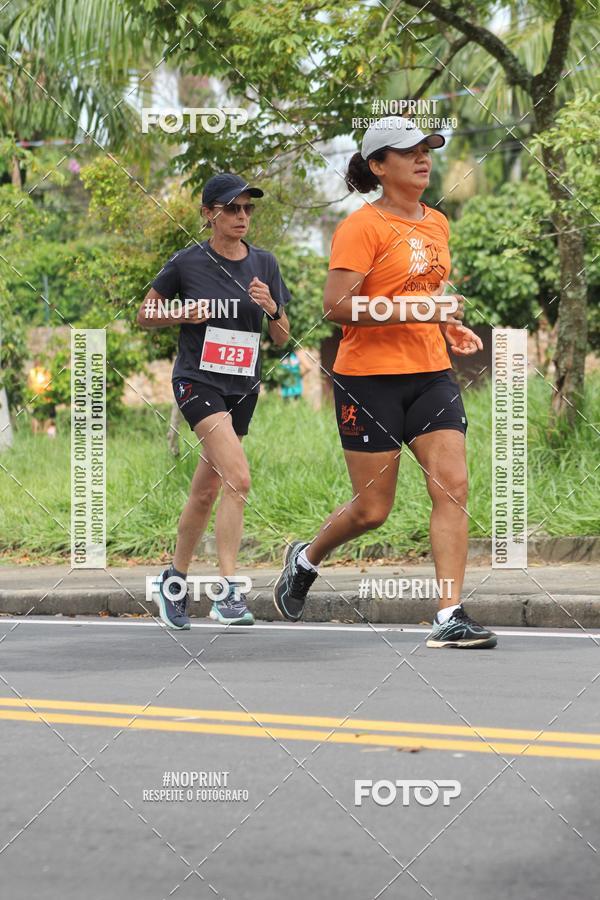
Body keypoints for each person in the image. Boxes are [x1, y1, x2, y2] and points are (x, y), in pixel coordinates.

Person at [273, 117, 496, 649]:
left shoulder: (437, 223)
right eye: (408, 151)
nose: (423, 158)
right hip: (368, 382)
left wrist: (445, 321)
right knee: (373, 510)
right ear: (378, 166)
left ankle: (449, 616)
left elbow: (430, 286)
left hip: (430, 375)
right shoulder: (361, 227)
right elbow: (336, 305)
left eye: (427, 149)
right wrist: (416, 307)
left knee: (454, 486)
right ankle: (305, 559)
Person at [138, 173, 291, 629]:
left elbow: (281, 338)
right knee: (238, 479)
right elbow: (145, 314)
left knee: (206, 491)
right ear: (209, 214)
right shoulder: (187, 262)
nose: (242, 216)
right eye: (232, 209)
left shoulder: (264, 264)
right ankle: (228, 593)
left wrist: (273, 309)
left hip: (242, 386)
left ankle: (174, 582)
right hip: (197, 382)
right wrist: (180, 312)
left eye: (247, 209)